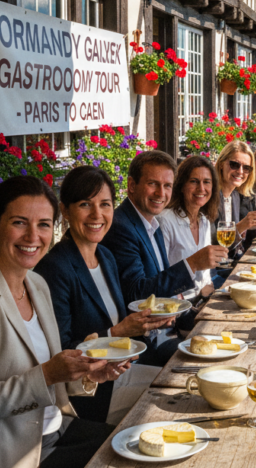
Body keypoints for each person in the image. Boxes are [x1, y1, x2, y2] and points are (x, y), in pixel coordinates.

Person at [0, 177, 128, 468]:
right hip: (13, 451)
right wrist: (48, 374)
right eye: (20, 223)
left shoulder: (37, 284)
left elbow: (49, 380)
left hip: (56, 428)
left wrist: (87, 373)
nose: (33, 236)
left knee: (136, 444)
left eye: (44, 225)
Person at [36, 166, 174, 424]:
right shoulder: (55, 267)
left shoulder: (106, 256)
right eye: (85, 204)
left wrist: (148, 320)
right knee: (168, 403)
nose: (97, 215)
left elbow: (120, 322)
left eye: (105, 204)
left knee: (178, 385)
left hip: (120, 374)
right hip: (87, 393)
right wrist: (116, 334)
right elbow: (61, 351)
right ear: (65, 211)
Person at [100, 150, 226, 363]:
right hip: (142, 347)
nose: (161, 193)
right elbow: (136, 293)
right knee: (213, 358)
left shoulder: (152, 222)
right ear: (132, 185)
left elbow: (160, 282)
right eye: (153, 184)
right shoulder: (122, 226)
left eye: (167, 186)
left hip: (168, 327)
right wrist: (192, 264)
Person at [157, 155, 222, 294]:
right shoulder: (165, 220)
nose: (201, 188)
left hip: (201, 301)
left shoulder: (204, 220)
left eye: (207, 182)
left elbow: (205, 276)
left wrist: (208, 290)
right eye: (194, 181)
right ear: (181, 186)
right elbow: (160, 276)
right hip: (177, 308)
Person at [213, 141, 256, 255]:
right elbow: (209, 243)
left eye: (246, 168)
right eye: (234, 165)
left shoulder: (235, 196)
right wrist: (240, 227)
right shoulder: (210, 196)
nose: (240, 171)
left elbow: (232, 245)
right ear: (221, 163)